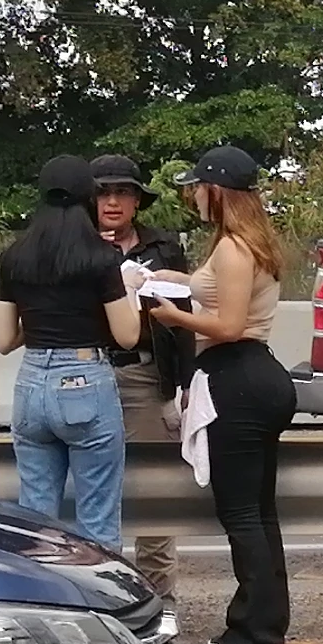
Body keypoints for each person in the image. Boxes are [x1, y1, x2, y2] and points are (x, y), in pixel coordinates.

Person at [148, 145, 296, 644]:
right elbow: (222, 294)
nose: (192, 196)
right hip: (261, 375)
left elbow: (229, 326)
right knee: (261, 513)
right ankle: (265, 626)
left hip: (238, 379)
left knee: (240, 515)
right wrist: (177, 280)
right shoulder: (254, 244)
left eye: (197, 187)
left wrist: (176, 317)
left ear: (218, 191)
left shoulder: (233, 247)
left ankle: (253, 635)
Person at [0, 154, 144, 553]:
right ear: (87, 197)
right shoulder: (100, 258)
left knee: (34, 518)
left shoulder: (13, 257)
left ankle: (38, 605)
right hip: (84, 381)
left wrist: (44, 318)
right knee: (97, 520)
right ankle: (102, 608)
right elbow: (127, 336)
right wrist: (128, 286)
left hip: (31, 385)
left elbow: (4, 340)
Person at [92, 153, 196, 604]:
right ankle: (97, 596)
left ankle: (159, 599)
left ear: (137, 201)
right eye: (103, 193)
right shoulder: (74, 243)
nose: (113, 202)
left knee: (153, 486)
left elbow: (183, 316)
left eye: (123, 193)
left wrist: (186, 382)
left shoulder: (163, 247)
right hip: (86, 370)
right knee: (92, 490)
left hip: (143, 372)